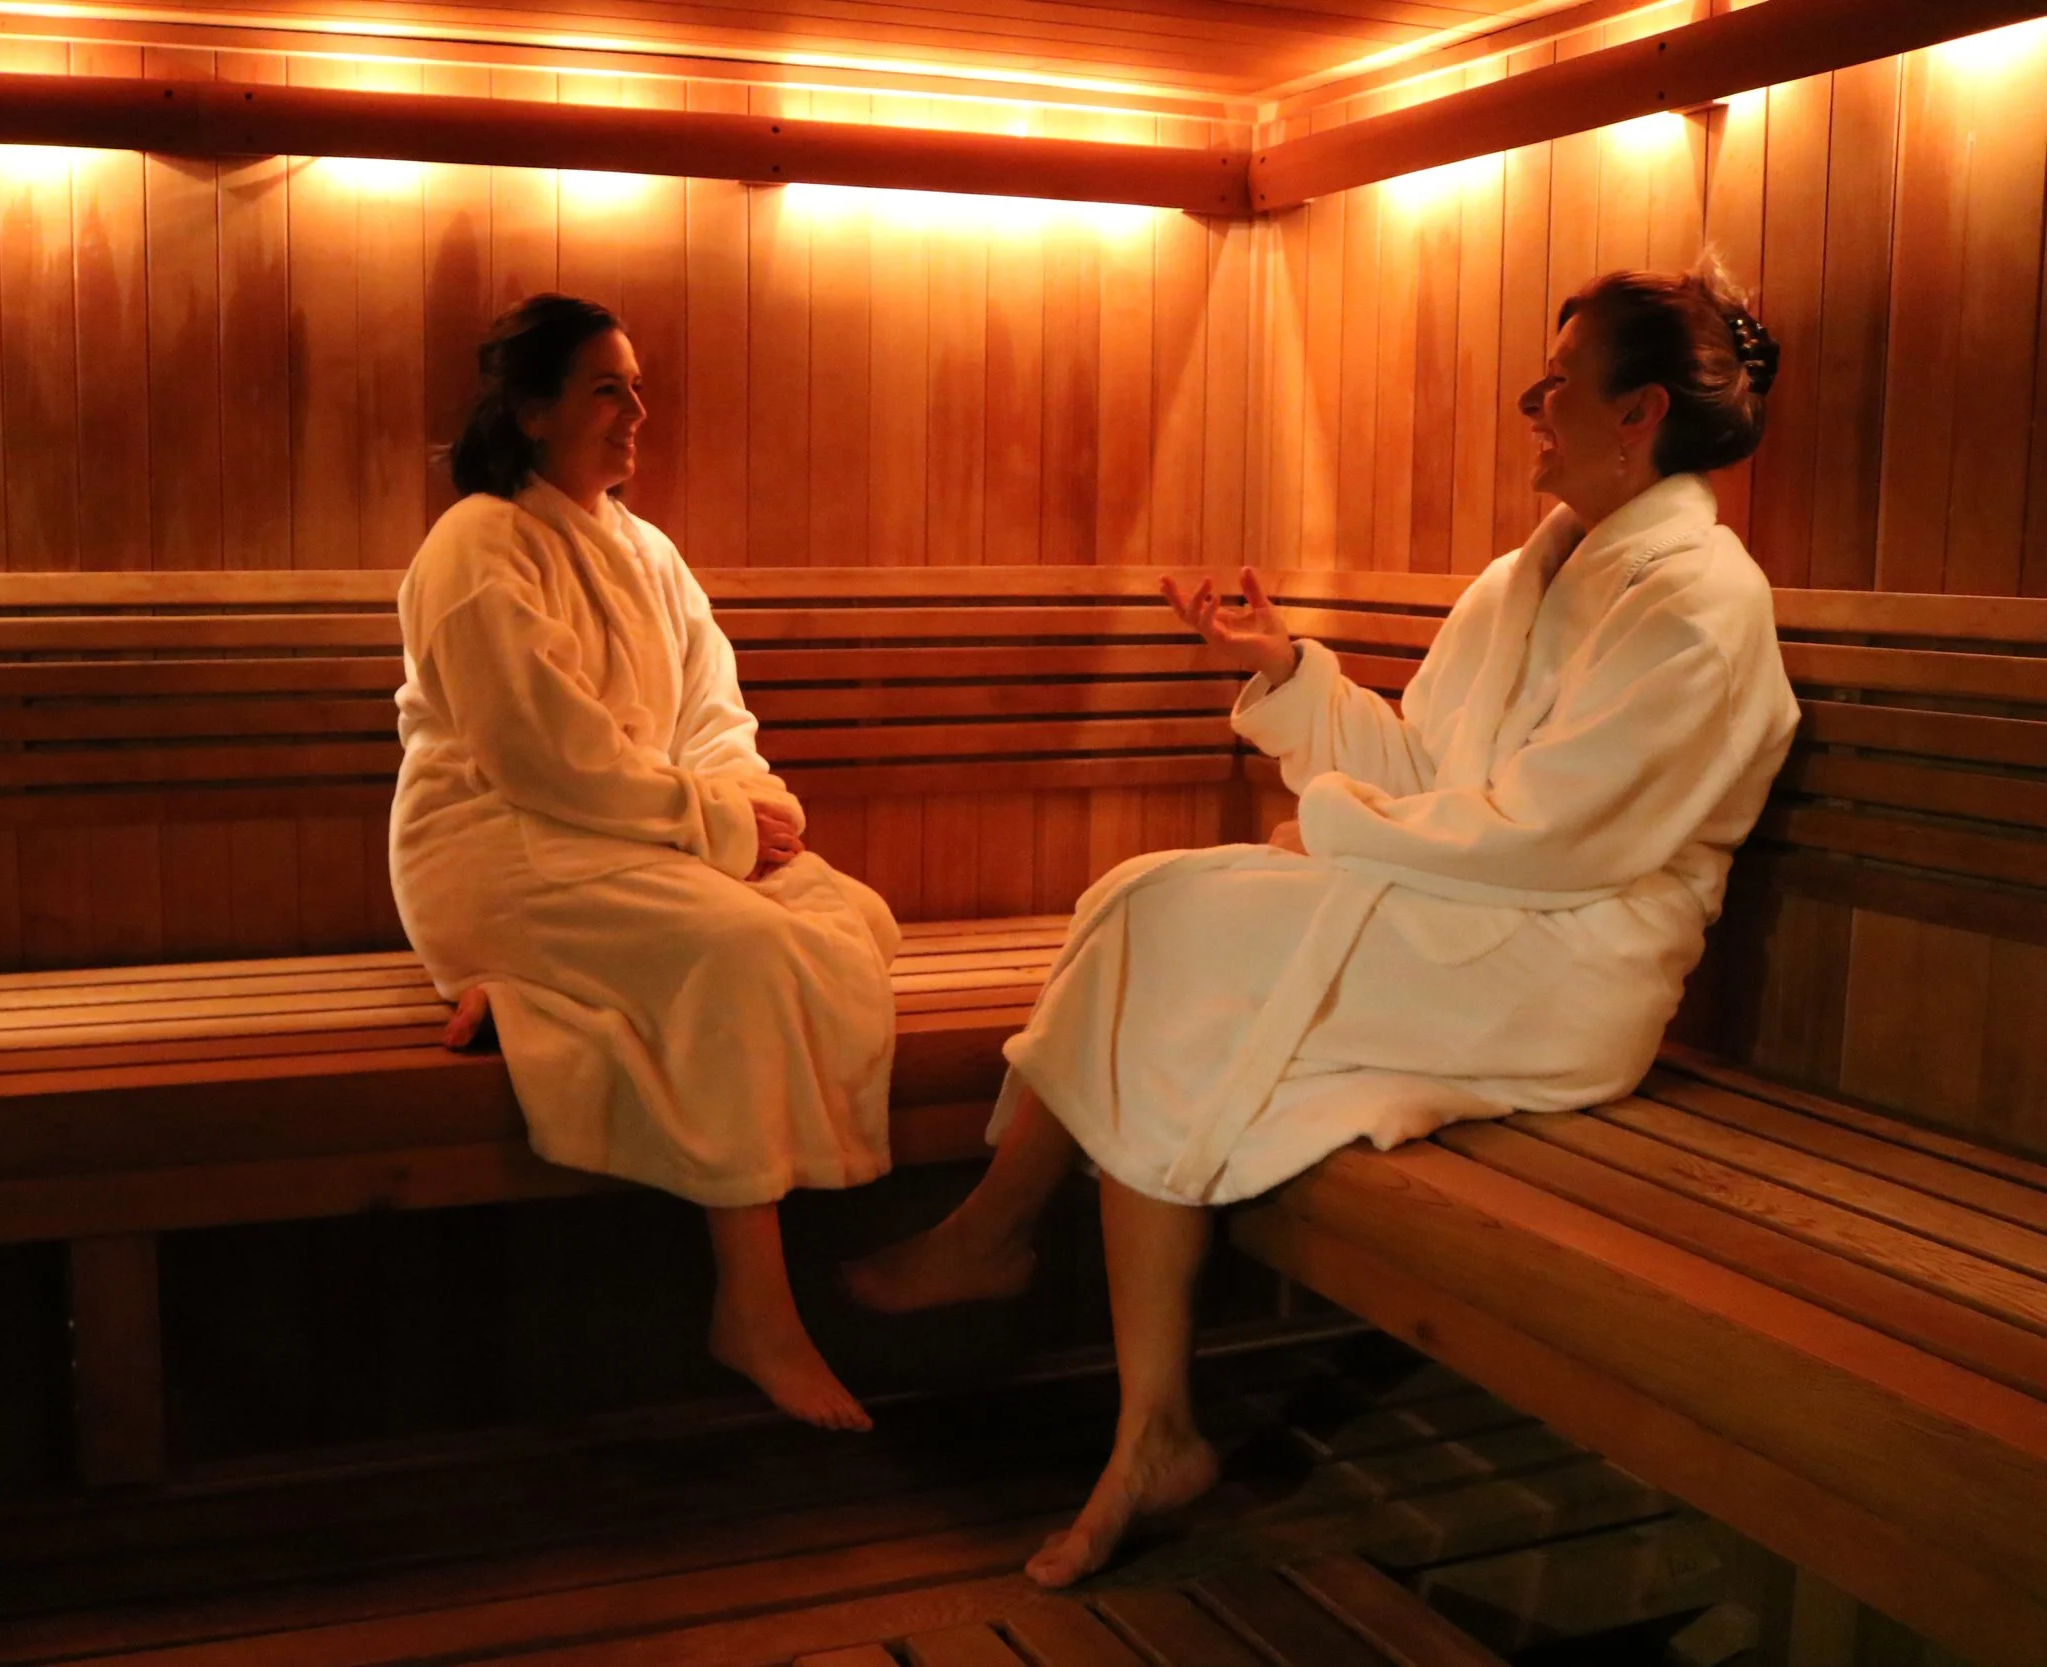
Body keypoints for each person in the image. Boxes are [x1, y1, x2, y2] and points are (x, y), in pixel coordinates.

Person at [844, 256, 1801, 1580]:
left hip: (1572, 958)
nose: (1532, 403)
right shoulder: (1523, 577)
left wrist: (1335, 832)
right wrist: (1285, 670)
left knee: (1173, 925)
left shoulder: (1700, 604)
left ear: (1637, 413)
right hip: (1470, 908)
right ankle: (1148, 1419)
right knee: (1153, 912)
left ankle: (1011, 1241)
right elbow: (1429, 770)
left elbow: (1556, 838)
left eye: (1556, 382)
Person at [390, 293, 902, 1432]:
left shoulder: (646, 549)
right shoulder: (478, 544)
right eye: (606, 388)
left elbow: (714, 713)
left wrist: (751, 807)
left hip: (643, 833)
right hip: (498, 846)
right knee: (743, 949)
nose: (637, 413)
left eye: (636, 387)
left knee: (849, 917)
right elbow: (540, 759)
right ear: (530, 411)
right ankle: (754, 1311)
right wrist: (718, 829)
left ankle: (544, 1006)